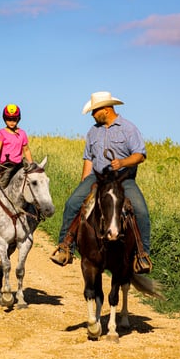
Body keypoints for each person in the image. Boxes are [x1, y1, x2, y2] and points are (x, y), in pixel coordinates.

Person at [50, 91, 153, 273]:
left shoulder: (128, 128)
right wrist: (84, 181)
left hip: (122, 179)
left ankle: (142, 255)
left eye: (94, 110)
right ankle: (65, 247)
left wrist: (122, 162)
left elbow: (140, 155)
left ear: (106, 109)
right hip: (97, 177)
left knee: (141, 210)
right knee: (72, 203)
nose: (92, 114)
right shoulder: (93, 131)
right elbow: (88, 158)